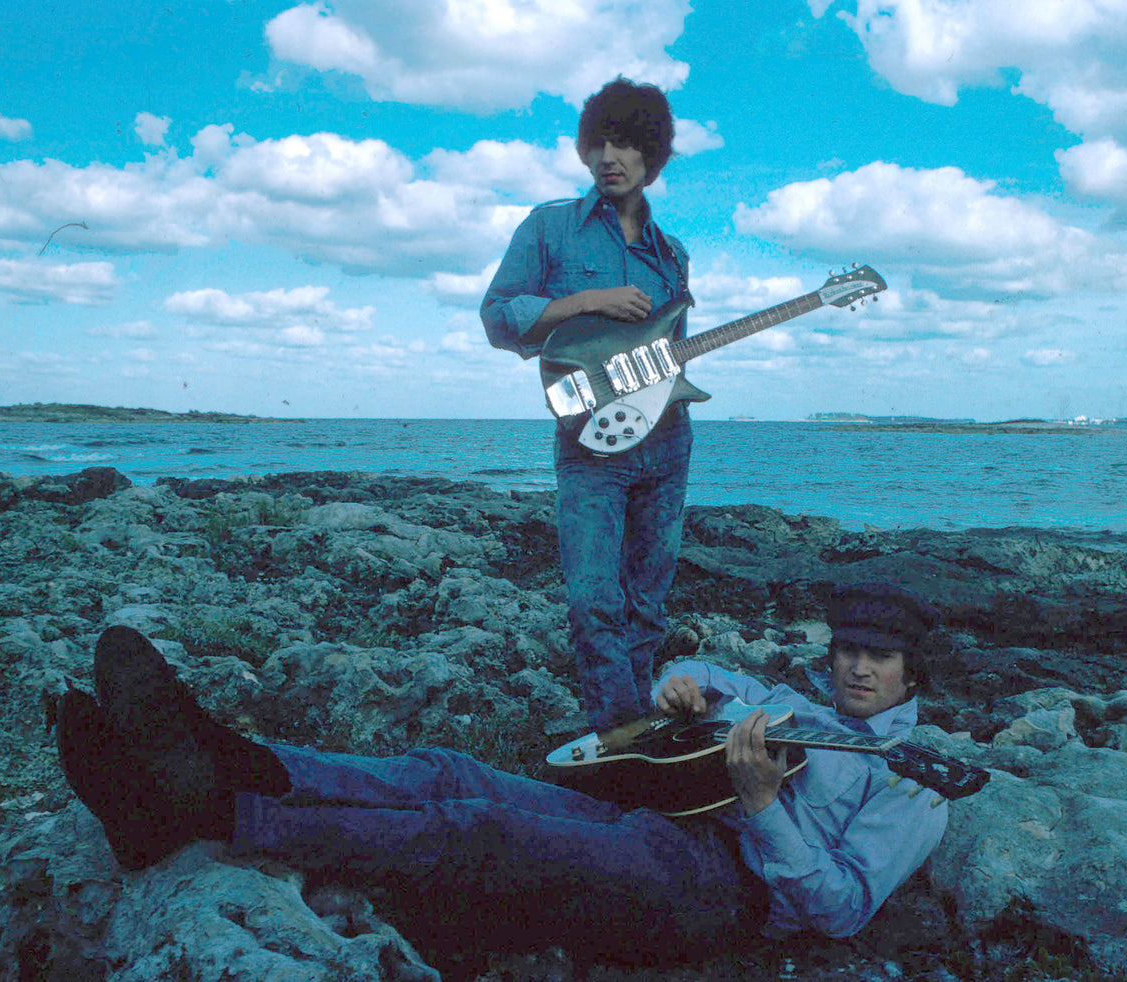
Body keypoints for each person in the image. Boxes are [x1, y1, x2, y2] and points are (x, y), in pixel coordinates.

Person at [56, 582, 954, 966]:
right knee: (447, 768)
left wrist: (764, 809)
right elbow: (722, 681)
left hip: (726, 897)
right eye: (847, 652)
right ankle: (229, 755)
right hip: (663, 824)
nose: (857, 671)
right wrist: (684, 686)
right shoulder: (801, 703)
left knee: (475, 830)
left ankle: (207, 812)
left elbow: (838, 913)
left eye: (878, 660)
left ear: (915, 674)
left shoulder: (911, 780)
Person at [480, 76, 694, 736]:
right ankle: (619, 725)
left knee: (647, 601)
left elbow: (668, 359)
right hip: (588, 444)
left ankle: (631, 727)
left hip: (666, 440)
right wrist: (584, 302)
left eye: (626, 144)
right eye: (597, 141)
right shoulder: (551, 228)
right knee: (593, 598)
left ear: (651, 157)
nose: (609, 156)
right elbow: (497, 317)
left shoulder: (671, 255)